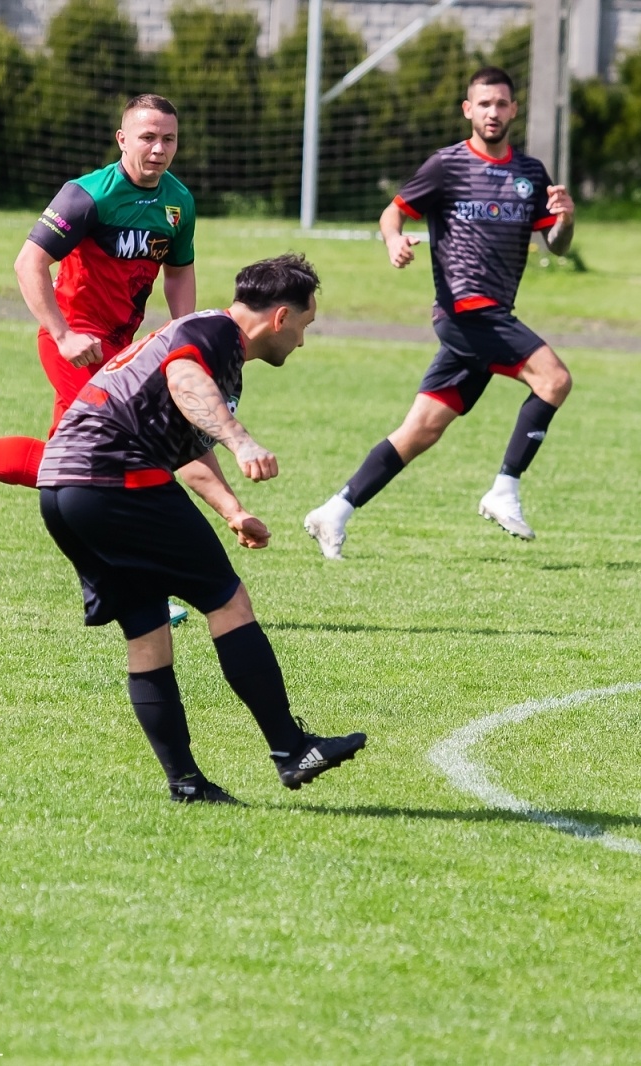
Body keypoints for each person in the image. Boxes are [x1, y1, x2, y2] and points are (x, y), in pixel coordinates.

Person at [37, 254, 366, 803]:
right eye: (305, 327)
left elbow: (186, 447)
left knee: (146, 631)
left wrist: (232, 512)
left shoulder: (203, 337)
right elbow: (184, 379)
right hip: (115, 477)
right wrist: (242, 441)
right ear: (281, 318)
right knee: (228, 600)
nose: (303, 343)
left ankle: (186, 784)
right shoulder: (214, 333)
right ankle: (290, 748)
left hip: (66, 489)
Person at [303, 66, 575, 559]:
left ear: (514, 109)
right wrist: (392, 241)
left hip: (489, 316)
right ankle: (504, 489)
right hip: (465, 311)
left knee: (421, 430)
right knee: (554, 380)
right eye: (484, 104)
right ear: (468, 110)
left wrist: (566, 219)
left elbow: (556, 246)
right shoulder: (446, 165)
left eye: (502, 104)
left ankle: (333, 511)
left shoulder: (531, 174)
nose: (493, 112)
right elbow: (394, 211)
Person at [0, 94, 198, 491]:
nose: (158, 149)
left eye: (169, 139)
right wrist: (64, 334)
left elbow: (178, 273)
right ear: (122, 139)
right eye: (147, 137)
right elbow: (28, 263)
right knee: (123, 444)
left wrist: (182, 337)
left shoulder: (179, 202)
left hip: (119, 348)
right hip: (71, 337)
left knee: (65, 465)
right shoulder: (87, 195)